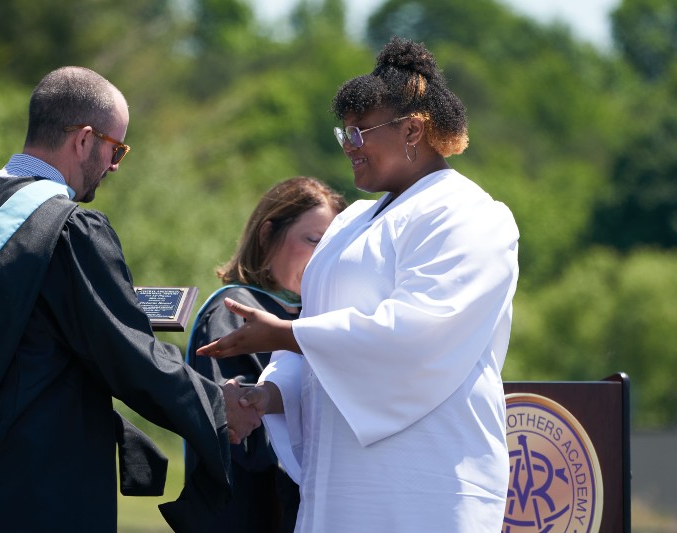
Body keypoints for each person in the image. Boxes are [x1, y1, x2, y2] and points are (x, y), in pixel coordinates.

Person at [0, 66, 260, 533]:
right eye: (115, 148)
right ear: (84, 140)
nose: (116, 163)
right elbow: (132, 358)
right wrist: (218, 408)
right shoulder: (66, 230)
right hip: (28, 494)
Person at [197, 37, 520, 532]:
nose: (349, 146)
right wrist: (268, 397)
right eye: (343, 133)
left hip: (425, 481)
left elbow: (415, 335)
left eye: (360, 132)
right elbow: (318, 339)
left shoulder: (469, 215)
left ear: (414, 130)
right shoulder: (351, 223)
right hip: (338, 479)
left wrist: (284, 334)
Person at [186, 177, 346, 533]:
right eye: (312, 240)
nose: (322, 257)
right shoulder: (235, 311)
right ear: (267, 234)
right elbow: (235, 430)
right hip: (250, 512)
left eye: (333, 246)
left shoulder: (316, 319)